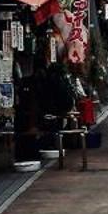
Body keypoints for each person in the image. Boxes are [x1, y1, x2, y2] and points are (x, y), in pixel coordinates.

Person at [36, 43, 82, 171]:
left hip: (54, 109)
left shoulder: (47, 78)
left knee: (52, 124)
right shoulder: (60, 78)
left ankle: (53, 143)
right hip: (62, 108)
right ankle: (56, 143)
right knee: (56, 125)